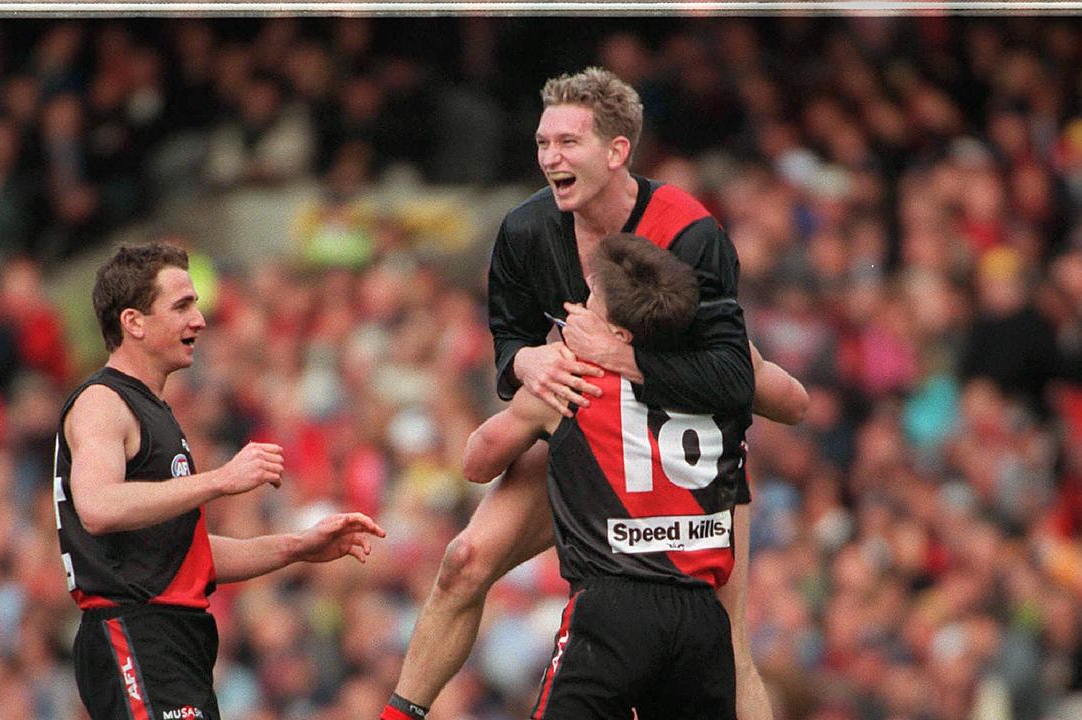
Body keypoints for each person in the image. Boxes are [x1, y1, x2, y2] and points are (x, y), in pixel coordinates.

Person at [382, 68, 806, 720]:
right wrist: (528, 362)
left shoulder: (689, 234)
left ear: (616, 151)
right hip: (589, 426)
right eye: (542, 142)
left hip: (678, 453)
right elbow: (506, 344)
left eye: (567, 142)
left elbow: (736, 380)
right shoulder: (525, 232)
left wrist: (620, 355)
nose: (550, 158)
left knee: (729, 638)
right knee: (463, 561)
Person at [54, 242, 384, 720]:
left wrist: (297, 546)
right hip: (135, 634)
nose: (200, 319)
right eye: (182, 305)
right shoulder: (103, 402)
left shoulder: (153, 409)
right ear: (134, 322)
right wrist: (221, 480)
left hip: (173, 641)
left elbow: (186, 556)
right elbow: (99, 507)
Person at [464, 233, 741, 718]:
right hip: (703, 620)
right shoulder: (724, 386)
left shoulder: (573, 381)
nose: (575, 307)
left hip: (614, 609)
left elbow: (477, 462)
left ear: (619, 335)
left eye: (590, 300)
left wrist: (533, 379)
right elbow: (793, 400)